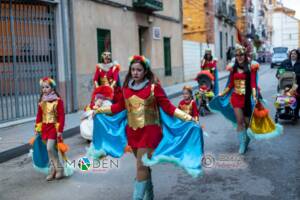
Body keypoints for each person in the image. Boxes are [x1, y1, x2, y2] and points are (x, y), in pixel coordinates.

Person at [90, 55, 204, 200]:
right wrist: (99, 110)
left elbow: (168, 108)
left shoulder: (154, 88)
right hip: (133, 134)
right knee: (144, 166)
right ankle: (149, 195)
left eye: (139, 70)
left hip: (150, 134)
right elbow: (119, 107)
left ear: (145, 71)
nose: (135, 73)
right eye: (133, 70)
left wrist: (189, 118)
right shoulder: (126, 89)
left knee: (141, 166)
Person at [217, 45, 259, 154]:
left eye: (241, 55)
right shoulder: (233, 68)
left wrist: (254, 96)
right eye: (237, 55)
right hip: (236, 98)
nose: (239, 57)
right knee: (240, 121)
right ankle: (241, 144)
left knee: (247, 123)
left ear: (245, 56)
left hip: (247, 99)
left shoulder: (251, 67)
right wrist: (223, 93)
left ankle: (246, 140)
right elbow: (231, 84)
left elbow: (253, 84)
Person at [34, 77, 65, 181]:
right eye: (43, 87)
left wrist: (60, 130)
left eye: (47, 87)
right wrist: (37, 127)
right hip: (44, 128)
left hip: (53, 127)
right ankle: (53, 170)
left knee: (50, 148)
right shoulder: (42, 101)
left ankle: (59, 168)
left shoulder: (58, 101)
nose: (44, 89)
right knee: (49, 151)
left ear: (52, 88)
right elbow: (39, 115)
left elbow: (61, 116)